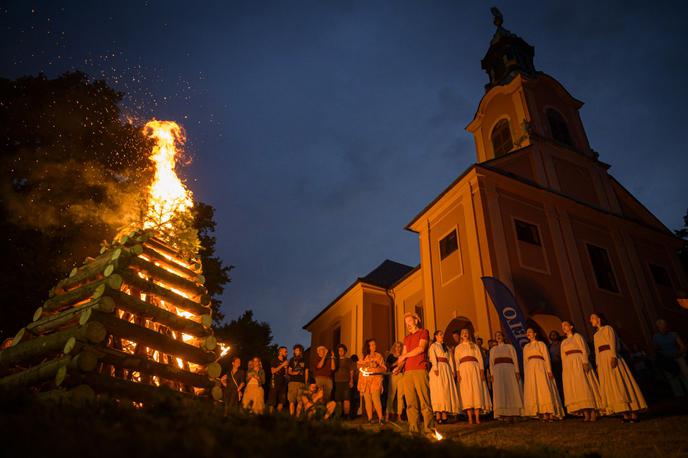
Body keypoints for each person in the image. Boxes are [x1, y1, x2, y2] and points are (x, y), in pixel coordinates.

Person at [590, 313, 647, 422]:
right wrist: (597, 364)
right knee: (612, 385)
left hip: (610, 356)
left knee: (620, 382)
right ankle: (624, 413)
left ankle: (633, 412)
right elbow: (597, 351)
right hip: (602, 361)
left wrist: (613, 356)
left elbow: (613, 343)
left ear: (599, 319)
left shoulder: (608, 328)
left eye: (592, 318)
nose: (590, 320)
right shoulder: (596, 335)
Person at [394, 312, 434, 436]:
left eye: (410, 321)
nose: (408, 325)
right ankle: (414, 430)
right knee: (410, 403)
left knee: (424, 402)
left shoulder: (423, 332)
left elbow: (421, 348)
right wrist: (399, 367)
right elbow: (404, 357)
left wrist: (404, 356)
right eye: (406, 323)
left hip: (420, 370)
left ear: (416, 321)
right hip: (408, 372)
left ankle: (429, 430)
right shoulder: (406, 338)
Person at [560, 320, 602, 421]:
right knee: (576, 387)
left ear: (571, 326)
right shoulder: (564, 342)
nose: (564, 327)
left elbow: (584, 349)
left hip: (578, 362)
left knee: (584, 385)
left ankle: (592, 411)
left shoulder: (577, 336)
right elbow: (563, 357)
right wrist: (565, 369)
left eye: (565, 325)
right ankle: (585, 412)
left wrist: (585, 362)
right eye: (562, 326)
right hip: (569, 366)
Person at [523, 328, 564, 421]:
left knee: (544, 387)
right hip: (530, 369)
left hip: (540, 366)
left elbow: (546, 357)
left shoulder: (541, 344)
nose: (528, 333)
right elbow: (525, 361)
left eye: (530, 332)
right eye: (527, 332)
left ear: (535, 333)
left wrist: (549, 370)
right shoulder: (526, 347)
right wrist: (526, 374)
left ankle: (549, 412)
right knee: (535, 389)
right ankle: (542, 412)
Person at [454, 328, 492, 424]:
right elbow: (457, 361)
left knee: (476, 390)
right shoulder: (458, 348)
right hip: (463, 370)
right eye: (463, 333)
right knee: (467, 391)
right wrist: (458, 373)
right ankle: (470, 418)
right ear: (461, 336)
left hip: (474, 369)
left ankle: (477, 417)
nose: (465, 334)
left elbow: (479, 359)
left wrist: (481, 370)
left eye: (466, 332)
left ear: (469, 334)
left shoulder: (474, 346)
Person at [489, 331, 523, 420]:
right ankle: (503, 414)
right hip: (498, 372)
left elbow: (515, 359)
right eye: (496, 336)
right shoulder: (493, 349)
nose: (498, 337)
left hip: (509, 369)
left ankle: (514, 413)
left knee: (511, 388)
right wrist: (492, 374)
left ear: (503, 337)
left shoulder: (510, 347)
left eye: (499, 335)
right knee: (501, 391)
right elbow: (491, 363)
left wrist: (517, 371)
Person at [428, 330, 461, 424]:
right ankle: (438, 415)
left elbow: (450, 359)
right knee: (438, 390)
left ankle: (444, 414)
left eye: (442, 334)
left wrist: (452, 370)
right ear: (435, 336)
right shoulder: (433, 346)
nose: (442, 336)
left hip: (446, 369)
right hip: (438, 368)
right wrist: (435, 367)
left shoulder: (445, 346)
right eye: (440, 334)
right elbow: (433, 357)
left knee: (445, 391)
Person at [653, 318, 688, 397]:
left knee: (685, 374)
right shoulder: (656, 337)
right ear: (658, 328)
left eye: (664, 326)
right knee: (672, 378)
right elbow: (656, 350)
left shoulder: (673, 334)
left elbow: (682, 346)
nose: (663, 328)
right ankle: (679, 395)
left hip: (677, 356)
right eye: (661, 327)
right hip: (667, 359)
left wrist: (679, 352)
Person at [357, 338, 387, 424]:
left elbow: (384, 369)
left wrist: (376, 366)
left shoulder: (379, 356)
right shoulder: (364, 356)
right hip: (365, 381)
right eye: (372, 345)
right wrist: (367, 364)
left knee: (376, 399)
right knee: (367, 400)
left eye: (375, 344)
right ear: (368, 347)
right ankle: (370, 419)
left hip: (375, 381)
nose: (374, 346)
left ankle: (381, 418)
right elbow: (359, 366)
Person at [385, 341, 404, 422]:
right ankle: (387, 415)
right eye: (396, 346)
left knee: (400, 396)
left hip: (401, 375)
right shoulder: (390, 356)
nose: (398, 348)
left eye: (399, 346)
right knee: (391, 395)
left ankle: (399, 416)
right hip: (393, 375)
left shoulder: (403, 356)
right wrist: (396, 363)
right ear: (394, 347)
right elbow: (388, 366)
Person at [333, 344, 354, 418]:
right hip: (337, 382)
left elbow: (351, 371)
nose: (340, 352)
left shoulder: (348, 360)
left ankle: (346, 415)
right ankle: (339, 415)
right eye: (339, 350)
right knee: (338, 399)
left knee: (346, 399)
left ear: (345, 351)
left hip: (346, 381)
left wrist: (351, 380)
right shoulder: (335, 360)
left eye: (342, 350)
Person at [287, 344, 308, 416]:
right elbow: (289, 371)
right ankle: (291, 415)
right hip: (292, 382)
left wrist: (306, 383)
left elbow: (306, 372)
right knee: (291, 400)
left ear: (301, 351)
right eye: (295, 350)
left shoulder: (305, 360)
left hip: (301, 383)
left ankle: (297, 416)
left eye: (298, 350)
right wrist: (294, 373)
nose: (296, 351)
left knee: (300, 401)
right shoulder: (292, 359)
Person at [268, 346, 289, 413]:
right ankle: (270, 416)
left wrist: (286, 368)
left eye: (287, 351)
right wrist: (282, 365)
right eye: (285, 351)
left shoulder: (285, 361)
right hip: (274, 381)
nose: (287, 353)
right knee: (272, 400)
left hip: (283, 383)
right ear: (280, 352)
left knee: (282, 401)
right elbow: (272, 371)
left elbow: (286, 375)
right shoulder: (274, 360)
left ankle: (277, 415)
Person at [549, 330, 564, 399]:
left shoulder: (561, 344)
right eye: (552, 335)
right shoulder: (549, 346)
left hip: (561, 364)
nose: (553, 336)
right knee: (558, 383)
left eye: (554, 334)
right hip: (554, 366)